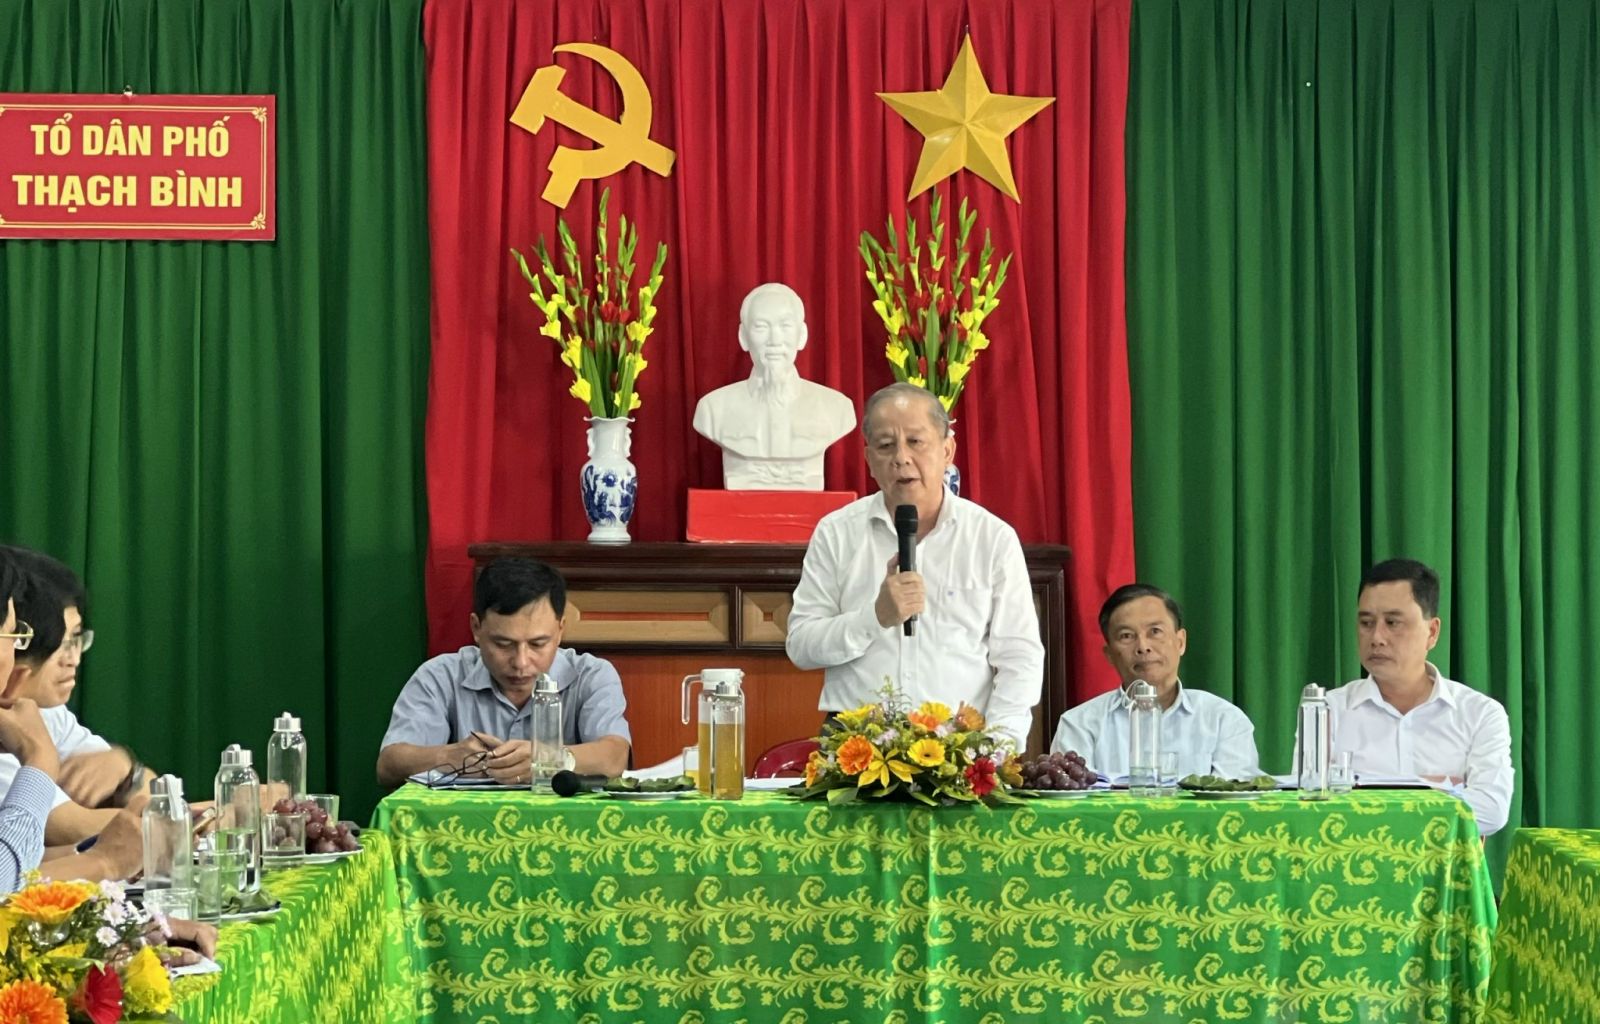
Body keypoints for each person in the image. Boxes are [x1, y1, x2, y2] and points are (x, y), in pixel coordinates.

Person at [786, 382, 1043, 746]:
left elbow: (1019, 658)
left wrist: (997, 747)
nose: (901, 458)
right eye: (886, 445)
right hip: (856, 746)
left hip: (958, 745)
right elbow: (802, 646)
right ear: (868, 459)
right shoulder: (836, 533)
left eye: (916, 442)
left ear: (947, 450)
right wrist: (874, 617)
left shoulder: (991, 538)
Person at [377, 558, 632, 786]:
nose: (521, 662)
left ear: (560, 630)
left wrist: (551, 758)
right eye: (503, 644)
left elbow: (614, 758)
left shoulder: (592, 675)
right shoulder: (441, 676)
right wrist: (447, 756)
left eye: (537, 644)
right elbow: (388, 766)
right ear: (476, 628)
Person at [1324, 558, 1514, 836]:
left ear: (1432, 632)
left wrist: (1364, 799)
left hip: (1445, 866)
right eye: (1366, 623)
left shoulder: (1480, 714)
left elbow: (1491, 809)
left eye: (1393, 622)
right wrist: (1438, 789)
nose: (1376, 637)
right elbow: (1309, 806)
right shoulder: (1328, 709)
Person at [1049, 584, 1260, 778]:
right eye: (1126, 636)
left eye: (1155, 632)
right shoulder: (1079, 724)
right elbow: (1073, 801)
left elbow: (1234, 799)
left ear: (1180, 642)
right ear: (1109, 655)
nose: (1143, 646)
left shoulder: (1224, 720)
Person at [2, 547, 151, 809]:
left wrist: (127, 768)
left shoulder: (48, 713)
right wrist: (39, 755)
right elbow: (76, 825)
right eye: (62, 643)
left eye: (76, 639)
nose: (74, 659)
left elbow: (153, 793)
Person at [692, 282, 856, 490]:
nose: (775, 340)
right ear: (743, 337)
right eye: (761, 327)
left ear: (802, 335)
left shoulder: (836, 408)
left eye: (785, 326)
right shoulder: (713, 409)